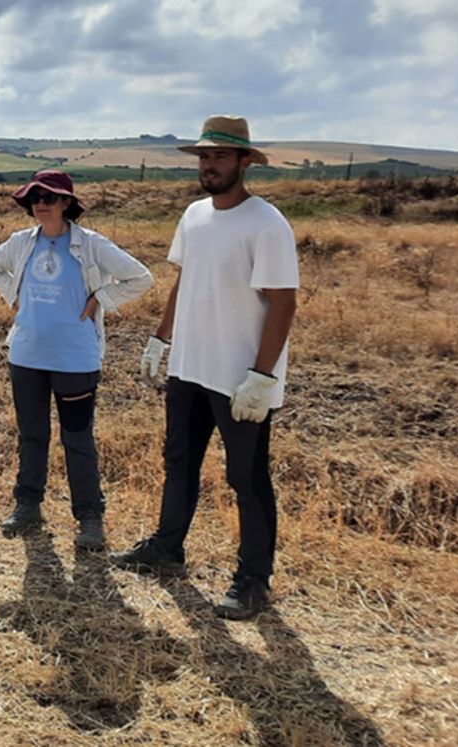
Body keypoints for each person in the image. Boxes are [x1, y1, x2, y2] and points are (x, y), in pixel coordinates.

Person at [111, 115, 299, 622]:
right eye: (203, 156)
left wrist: (263, 376)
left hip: (239, 376)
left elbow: (283, 303)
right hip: (190, 366)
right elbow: (183, 281)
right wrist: (160, 337)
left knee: (247, 477)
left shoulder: (266, 223)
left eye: (219, 156)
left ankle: (253, 580)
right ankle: (167, 549)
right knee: (179, 461)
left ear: (244, 162)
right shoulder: (194, 215)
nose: (209, 165)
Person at [0, 170, 153, 551]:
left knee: (77, 439)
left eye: (50, 196)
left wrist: (101, 300)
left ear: (66, 203)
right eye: (35, 197)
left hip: (76, 359)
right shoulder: (20, 243)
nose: (41, 203)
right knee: (32, 435)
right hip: (26, 355)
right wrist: (16, 295)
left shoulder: (91, 245)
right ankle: (27, 507)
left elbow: (140, 277)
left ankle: (89, 518)